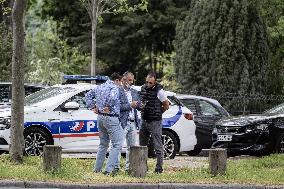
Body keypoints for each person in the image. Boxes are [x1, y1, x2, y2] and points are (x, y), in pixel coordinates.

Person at [85, 72, 123, 175]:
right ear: (116, 80)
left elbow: (88, 95)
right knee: (117, 144)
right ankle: (108, 170)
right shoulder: (114, 87)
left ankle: (97, 170)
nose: (121, 85)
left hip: (100, 117)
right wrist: (109, 106)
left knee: (103, 144)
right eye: (120, 82)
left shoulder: (99, 87)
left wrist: (93, 107)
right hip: (111, 118)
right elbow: (114, 97)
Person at [139, 71, 169, 174]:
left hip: (155, 122)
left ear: (155, 82)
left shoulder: (159, 91)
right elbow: (141, 102)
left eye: (150, 83)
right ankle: (143, 167)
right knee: (142, 146)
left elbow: (166, 105)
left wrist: (158, 112)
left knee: (158, 146)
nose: (148, 84)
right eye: (147, 82)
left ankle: (159, 169)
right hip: (144, 120)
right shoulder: (143, 89)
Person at [118, 71, 140, 171]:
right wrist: (130, 105)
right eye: (129, 80)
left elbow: (138, 105)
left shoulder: (134, 91)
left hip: (133, 122)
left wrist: (141, 106)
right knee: (118, 146)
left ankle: (129, 168)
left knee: (131, 147)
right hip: (122, 122)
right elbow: (117, 107)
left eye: (132, 80)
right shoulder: (118, 91)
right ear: (124, 79)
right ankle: (116, 167)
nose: (131, 82)